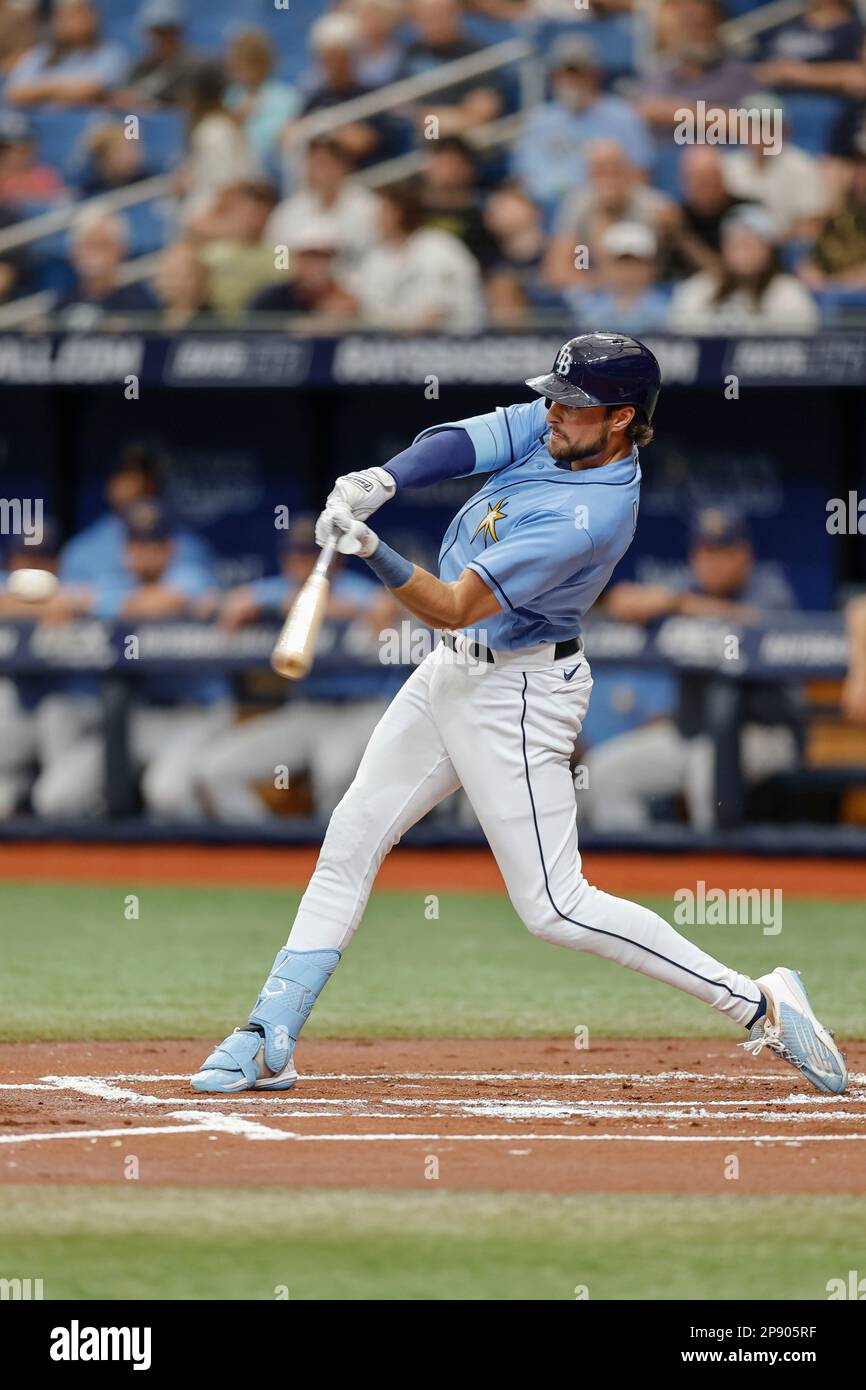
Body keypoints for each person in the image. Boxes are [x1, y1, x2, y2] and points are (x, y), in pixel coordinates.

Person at [193, 332, 847, 1099]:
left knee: (555, 906)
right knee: (351, 838)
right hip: (452, 675)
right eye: (554, 397)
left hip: (521, 695)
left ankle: (761, 1002)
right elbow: (460, 439)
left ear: (619, 419)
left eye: (572, 405)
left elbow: (452, 604)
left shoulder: (592, 515)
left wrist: (370, 547)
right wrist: (383, 479)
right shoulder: (558, 430)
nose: (551, 413)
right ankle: (270, 1035)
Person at [584, 507, 803, 832]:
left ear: (745, 555)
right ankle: (641, 878)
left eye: (723, 551)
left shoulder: (770, 591)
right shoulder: (686, 588)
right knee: (604, 773)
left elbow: (760, 624)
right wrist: (651, 601)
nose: (712, 562)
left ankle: (716, 878)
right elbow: (622, 601)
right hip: (690, 732)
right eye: (705, 551)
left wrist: (682, 605)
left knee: (708, 771)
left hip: (766, 734)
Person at [34, 500, 231, 821]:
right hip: (142, 717)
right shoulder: (117, 585)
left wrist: (92, 603)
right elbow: (64, 600)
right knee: (56, 797)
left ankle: (208, 865)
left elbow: (164, 602)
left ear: (171, 547)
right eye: (137, 543)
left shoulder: (194, 576)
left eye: (154, 543)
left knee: (166, 794)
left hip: (196, 714)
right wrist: (68, 602)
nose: (144, 551)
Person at [196, 517, 394, 821]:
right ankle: (269, 857)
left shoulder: (359, 591)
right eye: (294, 554)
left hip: (360, 710)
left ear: (336, 558)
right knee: (217, 769)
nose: (300, 562)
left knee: (335, 773)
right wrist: (264, 604)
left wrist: (304, 606)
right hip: (307, 710)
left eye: (310, 554)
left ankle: (338, 862)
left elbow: (383, 609)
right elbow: (234, 605)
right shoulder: (280, 590)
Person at [512, 36, 653, 212]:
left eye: (578, 72)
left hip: (602, 206)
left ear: (595, 74)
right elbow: (522, 176)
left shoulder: (623, 116)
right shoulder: (539, 119)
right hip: (542, 207)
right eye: (563, 73)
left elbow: (639, 175)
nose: (571, 80)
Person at [59, 445, 213, 586]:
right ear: (112, 483)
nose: (137, 484)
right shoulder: (83, 548)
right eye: (127, 475)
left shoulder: (188, 546)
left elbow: (196, 591)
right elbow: (66, 601)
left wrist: (99, 600)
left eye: (144, 475)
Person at [351, 181, 485, 330]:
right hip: (390, 344)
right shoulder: (375, 257)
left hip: (451, 342)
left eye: (382, 210)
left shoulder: (440, 246)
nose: (375, 217)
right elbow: (368, 307)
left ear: (398, 212)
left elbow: (441, 308)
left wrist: (410, 330)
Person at [544, 139, 674, 293]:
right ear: (588, 176)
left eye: (615, 170)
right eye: (599, 172)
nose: (608, 180)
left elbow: (664, 272)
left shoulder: (656, 208)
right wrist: (598, 282)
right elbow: (557, 271)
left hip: (649, 296)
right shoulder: (577, 206)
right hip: (594, 295)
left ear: (630, 172)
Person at [668, 203, 820, 332]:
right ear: (723, 248)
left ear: (769, 250)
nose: (743, 253)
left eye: (751, 243)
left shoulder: (790, 293)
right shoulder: (697, 290)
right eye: (735, 244)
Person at [635, 0, 755, 132]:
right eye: (688, 26)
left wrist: (679, 112)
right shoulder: (660, 76)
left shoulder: (738, 75)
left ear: (717, 27)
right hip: (663, 149)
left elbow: (762, 131)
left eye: (703, 25)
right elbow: (636, 112)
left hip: (723, 150)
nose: (696, 34)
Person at [266, 137, 380, 271]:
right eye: (313, 164)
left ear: (344, 166)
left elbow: (375, 255)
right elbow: (279, 251)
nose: (320, 172)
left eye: (326, 163)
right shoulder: (288, 212)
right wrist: (286, 273)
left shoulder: (369, 207)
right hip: (299, 286)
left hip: (353, 284)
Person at [401, 0, 504, 137]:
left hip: (464, 139)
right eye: (423, 18)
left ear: (456, 15)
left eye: (438, 16)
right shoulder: (412, 52)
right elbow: (401, 106)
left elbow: (482, 112)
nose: (432, 24)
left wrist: (433, 119)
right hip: (427, 135)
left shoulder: (475, 52)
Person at [176, 61, 259, 225]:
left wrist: (201, 226)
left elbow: (228, 189)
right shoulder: (217, 126)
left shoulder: (213, 132)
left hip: (222, 225)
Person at [5, 0, 128, 108]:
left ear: (91, 18)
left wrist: (41, 90)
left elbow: (91, 90)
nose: (66, 22)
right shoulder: (41, 54)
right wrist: (62, 89)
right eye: (61, 16)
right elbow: (13, 93)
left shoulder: (110, 54)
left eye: (74, 15)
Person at [52, 208, 157, 328]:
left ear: (122, 250)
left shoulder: (140, 304)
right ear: (73, 254)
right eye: (88, 246)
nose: (95, 255)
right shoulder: (63, 301)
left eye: (103, 245)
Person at [566, 222, 670, 335]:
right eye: (621, 263)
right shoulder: (586, 305)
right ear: (608, 265)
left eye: (636, 263)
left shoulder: (667, 307)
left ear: (651, 267)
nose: (629, 271)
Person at [247, 221, 356, 322]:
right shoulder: (271, 297)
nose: (316, 266)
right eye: (308, 257)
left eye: (322, 258)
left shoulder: (345, 298)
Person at [225, 27, 299, 170]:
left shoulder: (285, 97)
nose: (236, 68)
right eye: (235, 62)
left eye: (244, 62)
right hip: (234, 168)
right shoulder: (231, 96)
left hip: (271, 171)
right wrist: (234, 123)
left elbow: (279, 141)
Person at [112, 0, 201, 108]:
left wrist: (150, 102)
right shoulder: (140, 67)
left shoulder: (197, 67)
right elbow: (123, 97)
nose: (160, 39)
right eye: (156, 32)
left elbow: (189, 104)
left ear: (179, 32)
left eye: (167, 31)